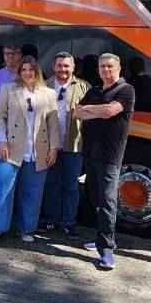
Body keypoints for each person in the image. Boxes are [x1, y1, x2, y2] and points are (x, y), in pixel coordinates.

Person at [0, 56, 60, 245]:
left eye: (30, 69)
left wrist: (54, 148)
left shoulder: (48, 93)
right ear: (19, 72)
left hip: (37, 151)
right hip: (9, 149)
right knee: (1, 190)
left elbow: (54, 123)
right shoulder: (8, 89)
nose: (27, 73)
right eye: (23, 70)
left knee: (32, 192)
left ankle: (26, 228)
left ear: (36, 71)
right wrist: (1, 141)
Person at [75, 53, 136, 271]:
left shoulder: (126, 90)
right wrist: (98, 111)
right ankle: (101, 238)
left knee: (108, 202)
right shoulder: (95, 90)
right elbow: (75, 113)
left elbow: (111, 111)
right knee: (95, 199)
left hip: (110, 156)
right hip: (90, 153)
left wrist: (92, 110)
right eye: (102, 67)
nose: (106, 70)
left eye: (110, 66)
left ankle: (107, 250)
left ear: (119, 69)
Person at [41, 52, 90, 240]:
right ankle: (52, 219)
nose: (63, 69)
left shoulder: (84, 87)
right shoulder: (44, 86)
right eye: (59, 65)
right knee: (51, 184)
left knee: (71, 186)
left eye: (67, 66)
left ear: (73, 68)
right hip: (49, 146)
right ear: (53, 67)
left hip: (74, 146)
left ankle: (69, 223)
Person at [0, 44, 21, 115]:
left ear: (20, 56)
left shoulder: (26, 74)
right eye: (7, 53)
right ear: (4, 56)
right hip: (1, 119)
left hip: (21, 119)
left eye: (14, 53)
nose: (10, 56)